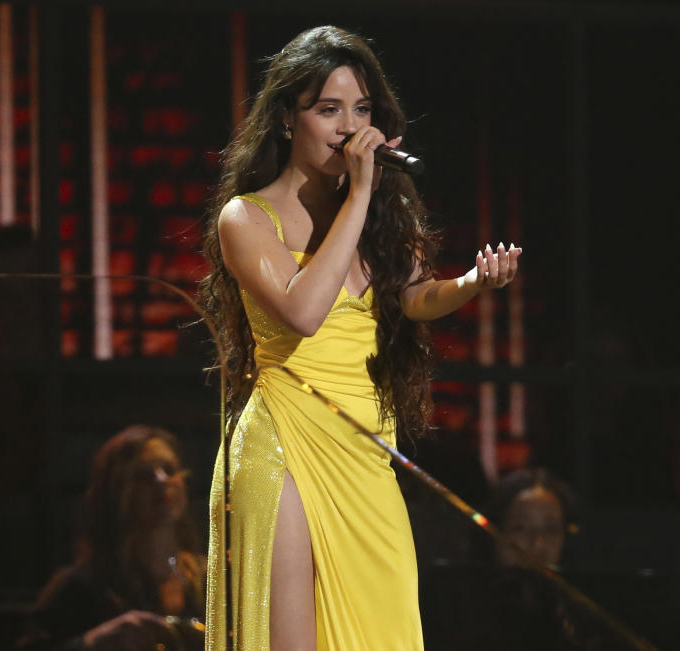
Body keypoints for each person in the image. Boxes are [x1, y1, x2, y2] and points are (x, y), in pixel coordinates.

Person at [198, 25, 522, 650]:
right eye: (329, 110)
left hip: (366, 443)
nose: (350, 128)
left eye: (362, 110)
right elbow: (304, 312)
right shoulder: (247, 216)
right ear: (288, 120)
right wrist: (362, 193)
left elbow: (411, 296)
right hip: (287, 439)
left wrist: (471, 284)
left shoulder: (371, 212)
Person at [17, 425, 205, 651]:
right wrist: (93, 642)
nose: (162, 480)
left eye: (169, 469)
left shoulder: (210, 578)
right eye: (144, 475)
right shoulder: (81, 587)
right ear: (116, 490)